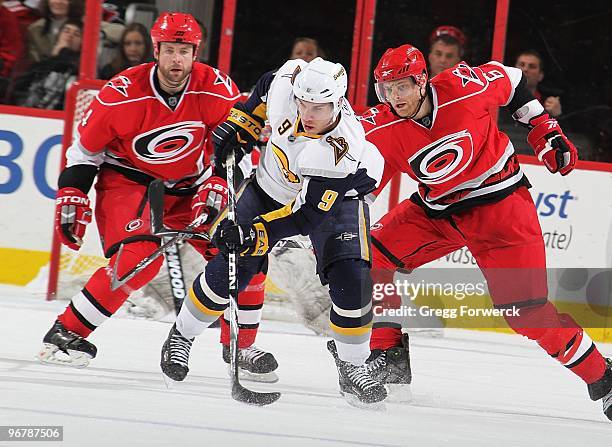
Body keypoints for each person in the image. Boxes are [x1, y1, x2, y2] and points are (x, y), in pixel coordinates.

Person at [357, 44, 612, 420]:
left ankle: (603, 377)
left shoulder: (464, 85)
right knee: (368, 255)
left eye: (403, 86)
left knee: (526, 314)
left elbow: (513, 81)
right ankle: (389, 354)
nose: (395, 97)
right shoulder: (378, 126)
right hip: (438, 212)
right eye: (386, 89)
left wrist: (545, 129)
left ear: (423, 80)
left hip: (501, 207)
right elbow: (351, 172)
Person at [36, 13, 276, 382]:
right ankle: (65, 335)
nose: (176, 60)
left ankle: (240, 347)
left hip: (195, 185)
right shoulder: (120, 93)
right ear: (156, 50)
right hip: (130, 181)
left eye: (184, 51)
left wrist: (216, 182)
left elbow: (236, 145)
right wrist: (72, 191)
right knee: (137, 260)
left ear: (195, 52)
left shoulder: (216, 88)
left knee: (245, 252)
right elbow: (84, 152)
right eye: (169, 50)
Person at [160, 56, 388, 406]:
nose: (308, 115)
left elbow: (305, 218)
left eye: (320, 108)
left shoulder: (339, 148)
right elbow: (267, 81)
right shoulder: (286, 88)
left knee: (352, 277)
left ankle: (352, 366)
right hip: (269, 188)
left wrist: (255, 233)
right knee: (229, 267)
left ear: (339, 102)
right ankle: (181, 337)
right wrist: (243, 120)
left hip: (337, 197)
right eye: (304, 103)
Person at [13, 18, 81, 109]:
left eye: (76, 34)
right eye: (66, 31)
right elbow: (19, 88)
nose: (70, 36)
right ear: (58, 36)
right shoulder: (40, 64)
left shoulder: (79, 69)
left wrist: (63, 53)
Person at [515, 49, 562, 117]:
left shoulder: (547, 107)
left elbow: (563, 127)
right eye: (522, 65)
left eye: (532, 66)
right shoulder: (501, 100)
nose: (525, 69)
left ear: (540, 76)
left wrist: (557, 115)